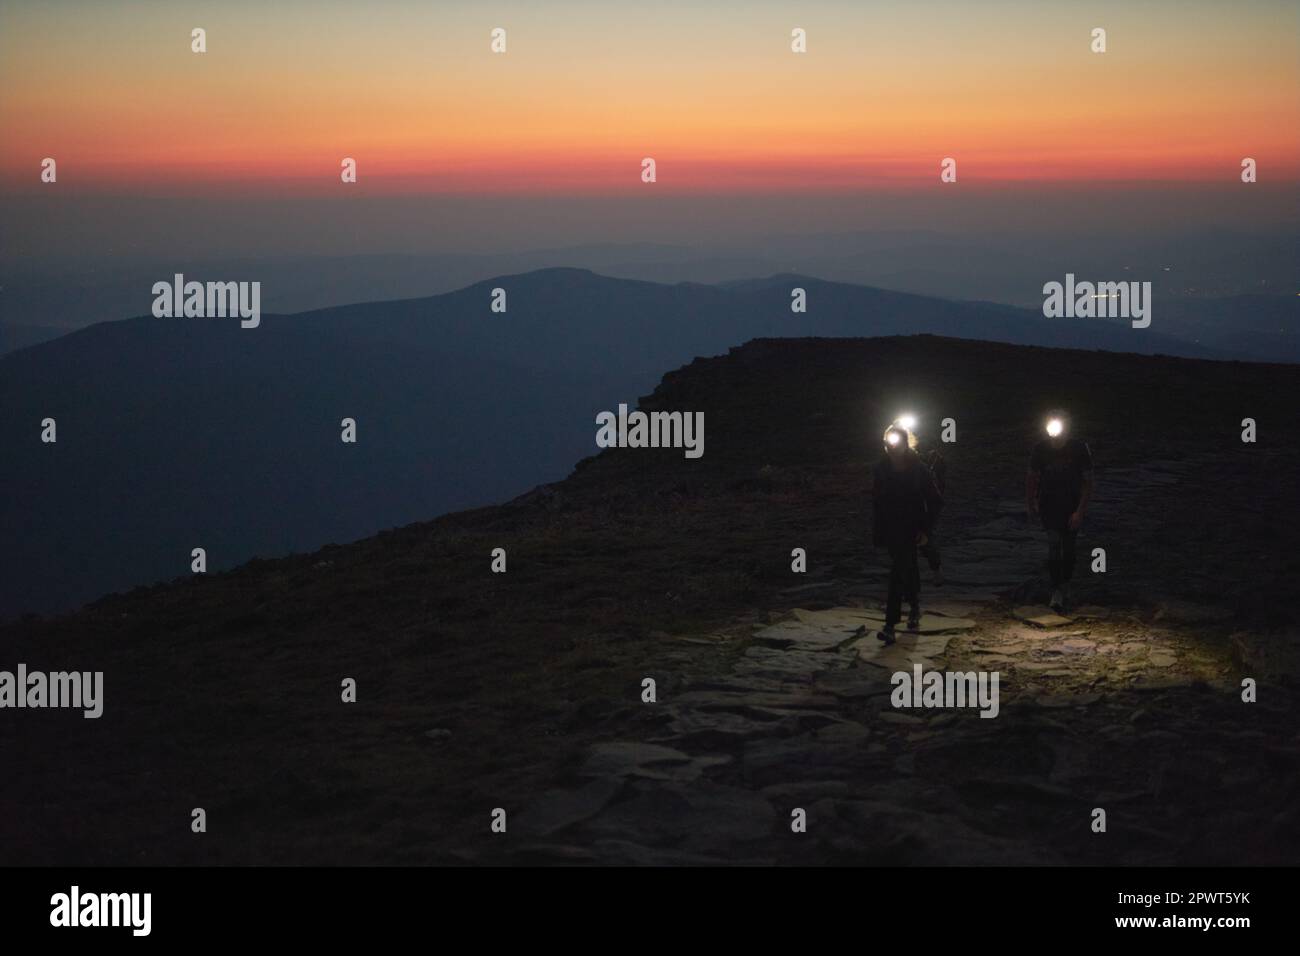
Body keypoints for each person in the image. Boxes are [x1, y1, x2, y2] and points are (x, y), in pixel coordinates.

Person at [872, 424, 943, 645]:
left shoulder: (918, 469)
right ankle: (914, 606)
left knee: (897, 572)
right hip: (892, 527)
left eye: (897, 442)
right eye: (889, 442)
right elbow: (877, 501)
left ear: (905, 443)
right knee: (907, 567)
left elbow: (935, 500)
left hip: (912, 527)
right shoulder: (881, 469)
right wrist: (878, 529)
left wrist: (926, 530)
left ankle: (890, 624)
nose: (892, 447)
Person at [1025, 412, 1093, 613]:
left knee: (1069, 549)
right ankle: (1056, 589)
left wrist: (1080, 510)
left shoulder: (1079, 449)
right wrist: (1030, 503)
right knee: (1054, 545)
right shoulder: (1040, 449)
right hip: (1049, 505)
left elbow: (1088, 482)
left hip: (1071, 505)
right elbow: (1031, 477)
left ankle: (1066, 584)